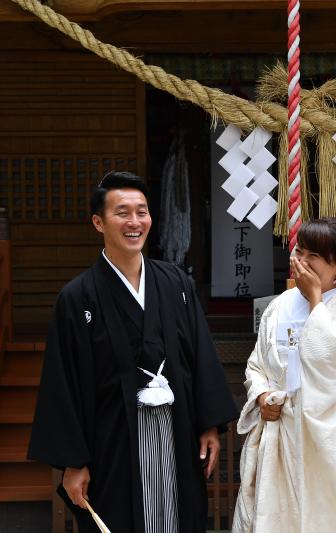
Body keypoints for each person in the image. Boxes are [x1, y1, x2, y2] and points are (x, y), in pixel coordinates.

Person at [27, 171, 239, 533]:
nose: (134, 222)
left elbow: (199, 356)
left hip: (176, 430)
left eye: (142, 212)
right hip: (112, 440)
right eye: (122, 212)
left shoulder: (176, 284)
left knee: (177, 515)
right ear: (99, 222)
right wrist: (73, 463)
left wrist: (208, 424)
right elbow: (62, 385)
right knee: (119, 517)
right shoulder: (77, 298)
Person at [232, 217, 336, 533]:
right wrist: (261, 396)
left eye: (314, 256)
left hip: (326, 438)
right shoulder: (279, 305)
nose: (301, 261)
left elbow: (331, 359)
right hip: (278, 430)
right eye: (300, 251)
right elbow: (257, 364)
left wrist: (315, 299)